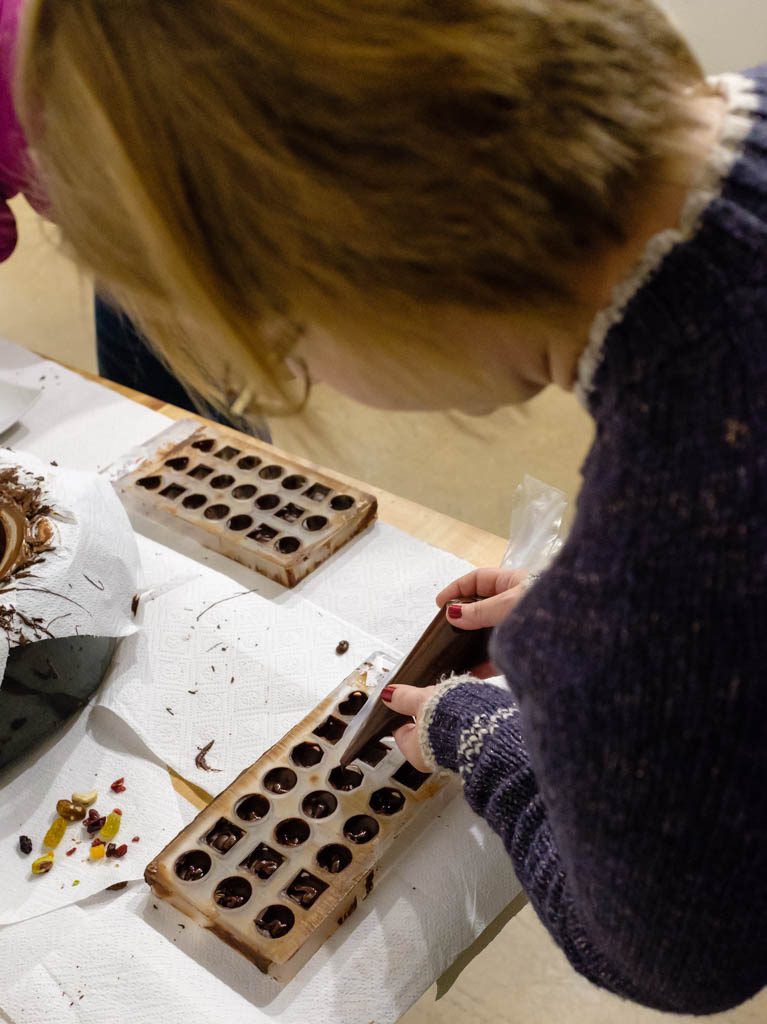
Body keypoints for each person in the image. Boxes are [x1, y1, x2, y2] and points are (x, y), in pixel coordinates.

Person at [12, 0, 767, 1014]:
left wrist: (494, 734)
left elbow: (678, 956)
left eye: (278, 343)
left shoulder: (653, 578)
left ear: (354, 262)